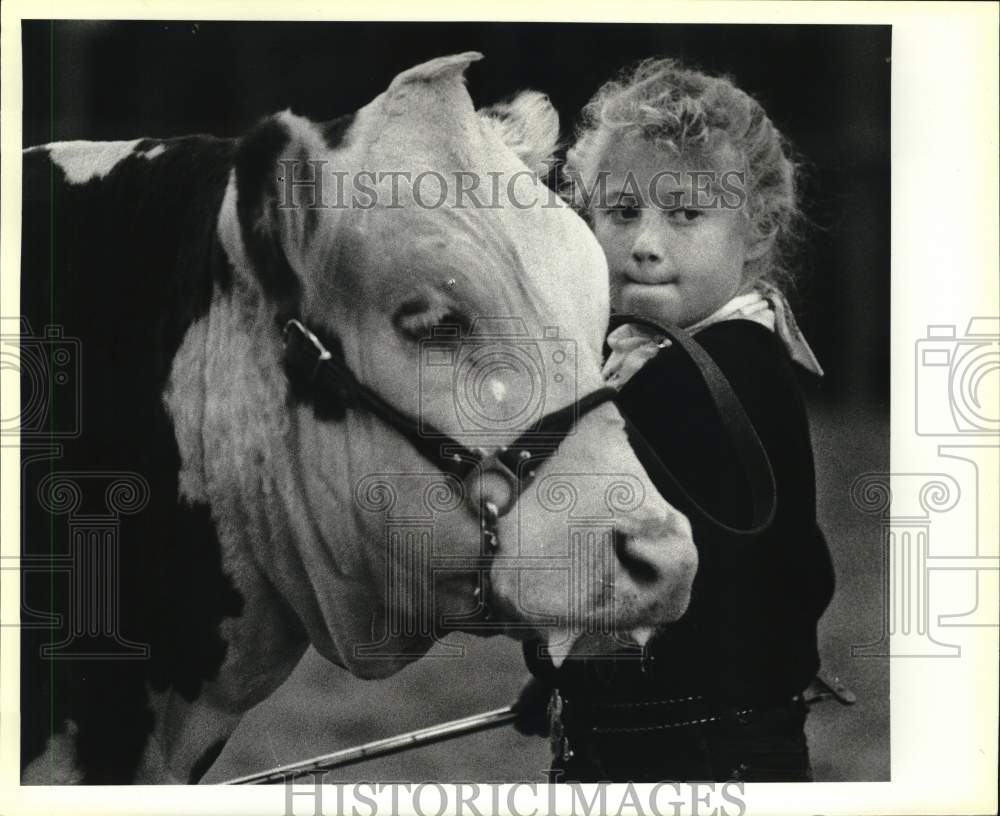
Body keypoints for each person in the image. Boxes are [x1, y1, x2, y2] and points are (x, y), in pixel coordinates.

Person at [514, 57, 836, 783]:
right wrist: (564, 680)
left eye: (686, 214)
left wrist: (555, 650)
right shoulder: (659, 360)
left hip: (703, 761)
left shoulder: (710, 372)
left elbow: (650, 577)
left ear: (758, 230)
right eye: (622, 212)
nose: (645, 244)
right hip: (687, 740)